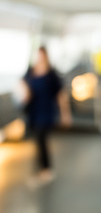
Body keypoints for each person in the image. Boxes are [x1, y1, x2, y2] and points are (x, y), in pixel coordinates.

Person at [22, 46, 72, 183]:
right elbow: (22, 85)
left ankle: (46, 168)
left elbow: (60, 95)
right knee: (38, 140)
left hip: (46, 111)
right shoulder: (31, 72)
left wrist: (65, 114)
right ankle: (41, 168)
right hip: (34, 111)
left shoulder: (51, 75)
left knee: (41, 138)